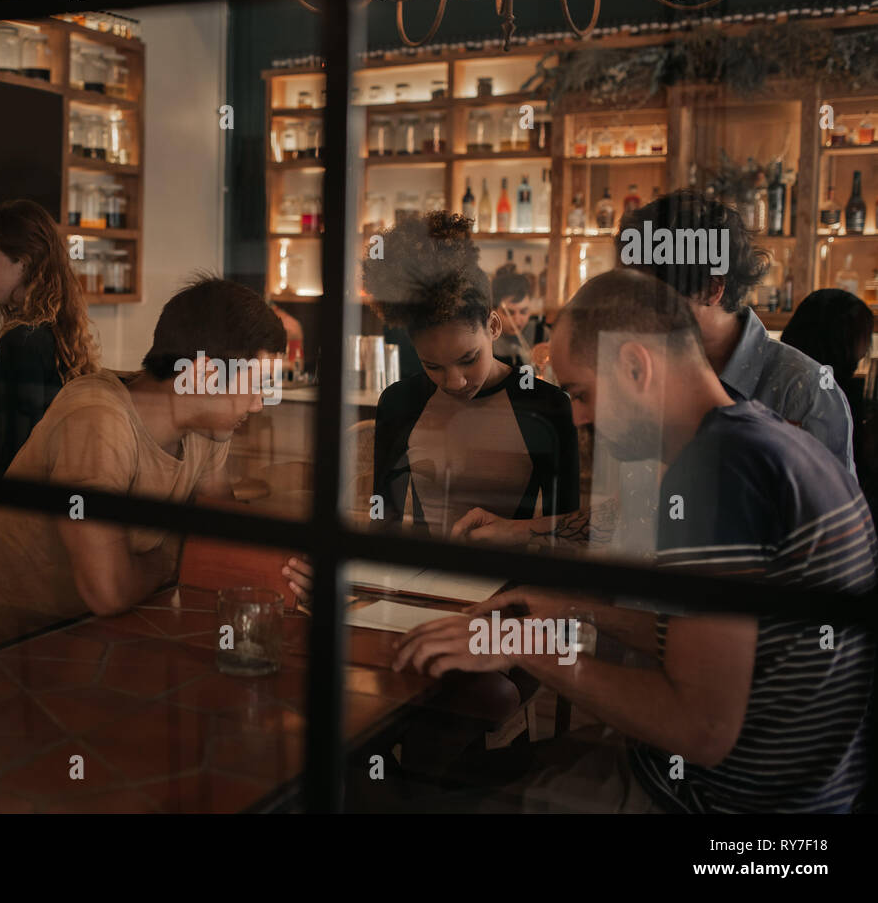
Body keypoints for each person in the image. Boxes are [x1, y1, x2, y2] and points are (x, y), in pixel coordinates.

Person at [387, 271, 875, 813]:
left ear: (637, 367)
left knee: (429, 798)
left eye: (582, 394)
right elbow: (727, 648)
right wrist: (577, 610)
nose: (578, 417)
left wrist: (525, 646)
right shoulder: (762, 437)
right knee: (454, 774)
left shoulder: (717, 471)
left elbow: (702, 729)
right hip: (784, 795)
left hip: (717, 808)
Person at [451, 189, 856, 550]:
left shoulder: (801, 390)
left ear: (712, 288)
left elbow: (817, 568)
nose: (627, 306)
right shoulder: (637, 373)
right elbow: (632, 512)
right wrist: (517, 532)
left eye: (647, 292)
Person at [0, 277, 285, 656]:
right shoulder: (96, 418)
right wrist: (175, 550)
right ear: (205, 376)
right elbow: (107, 592)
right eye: (255, 386)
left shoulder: (206, 427)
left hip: (105, 642)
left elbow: (219, 541)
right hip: (12, 661)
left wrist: (288, 568)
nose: (259, 404)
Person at [283, 213, 578, 602]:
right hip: (412, 590)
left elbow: (570, 533)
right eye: (432, 366)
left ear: (493, 326)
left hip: (508, 598)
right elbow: (383, 525)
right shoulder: (400, 403)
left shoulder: (547, 406)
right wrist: (338, 576)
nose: (454, 381)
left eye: (468, 359)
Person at [0, 200, 100, 634]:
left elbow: (9, 454)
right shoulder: (51, 332)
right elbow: (31, 429)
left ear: (24, 262)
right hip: (27, 519)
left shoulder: (25, 342)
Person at [781, 288, 877, 517]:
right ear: (842, 339)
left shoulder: (777, 379)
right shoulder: (834, 395)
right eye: (863, 336)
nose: (864, 351)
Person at [490, 260, 538, 366]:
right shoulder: (487, 340)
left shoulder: (542, 334)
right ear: (494, 311)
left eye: (523, 312)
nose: (517, 319)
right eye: (509, 313)